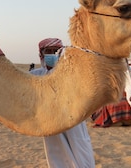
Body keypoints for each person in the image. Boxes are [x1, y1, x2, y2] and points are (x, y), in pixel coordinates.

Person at [30, 38, 95, 168]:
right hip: (51, 122)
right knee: (56, 151)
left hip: (73, 120)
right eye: (49, 51)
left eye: (56, 51)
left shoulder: (71, 72)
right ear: (41, 54)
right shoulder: (35, 75)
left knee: (81, 150)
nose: (52, 54)